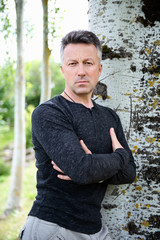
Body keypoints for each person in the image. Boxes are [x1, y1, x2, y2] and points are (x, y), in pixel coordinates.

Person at [18, 30, 136, 240]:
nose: (81, 71)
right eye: (73, 64)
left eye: (88, 63)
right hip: (54, 227)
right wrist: (118, 157)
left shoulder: (110, 117)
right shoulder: (49, 113)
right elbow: (82, 169)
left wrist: (93, 167)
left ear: (99, 69)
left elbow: (128, 173)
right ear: (63, 70)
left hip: (95, 229)